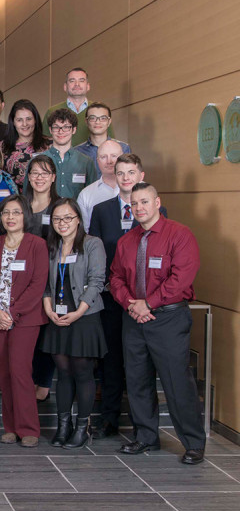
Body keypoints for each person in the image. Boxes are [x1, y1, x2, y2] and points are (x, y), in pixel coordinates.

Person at [110, 183, 205, 465]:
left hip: (168, 318)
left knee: (177, 383)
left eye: (144, 202)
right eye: (135, 203)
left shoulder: (180, 234)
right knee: (137, 381)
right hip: (134, 318)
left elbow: (181, 278)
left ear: (157, 202)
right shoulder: (126, 241)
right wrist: (131, 303)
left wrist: (148, 303)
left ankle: (193, 443)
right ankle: (146, 437)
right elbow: (115, 278)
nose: (139, 208)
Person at [89, 154, 166, 439]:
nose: (125, 178)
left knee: (141, 364)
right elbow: (95, 251)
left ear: (140, 175)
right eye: (120, 173)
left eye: (130, 172)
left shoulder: (157, 210)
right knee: (111, 360)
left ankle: (141, 424)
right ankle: (108, 419)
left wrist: (143, 302)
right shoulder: (101, 209)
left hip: (145, 302)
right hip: (112, 297)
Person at [0, 195, 49, 447]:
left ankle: (28, 427)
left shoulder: (37, 244)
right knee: (5, 373)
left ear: (25, 217)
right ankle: (10, 427)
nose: (10, 217)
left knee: (20, 372)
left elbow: (37, 285)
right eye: (6, 213)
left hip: (25, 320)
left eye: (16, 213)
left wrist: (12, 314)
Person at [41, 199, 107, 449]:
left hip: (84, 316)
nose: (62, 223)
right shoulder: (52, 246)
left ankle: (82, 428)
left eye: (67, 218)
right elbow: (46, 284)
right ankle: (63, 426)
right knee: (63, 373)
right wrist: (48, 309)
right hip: (57, 316)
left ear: (78, 219)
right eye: (57, 219)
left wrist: (79, 312)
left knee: (82, 371)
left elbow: (98, 280)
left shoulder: (92, 244)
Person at [22, 155, 60, 401]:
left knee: (46, 332)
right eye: (34, 173)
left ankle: (43, 383)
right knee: (26, 331)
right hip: (22, 276)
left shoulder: (60, 205)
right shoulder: (21, 204)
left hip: (52, 276)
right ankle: (25, 381)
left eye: (44, 173)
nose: (39, 178)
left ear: (53, 178)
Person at [42, 68, 114, 147]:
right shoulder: (52, 111)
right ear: (65, 86)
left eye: (81, 80)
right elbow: (44, 145)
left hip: (94, 158)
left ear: (88, 86)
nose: (77, 84)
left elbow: (111, 143)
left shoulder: (100, 111)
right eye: (72, 81)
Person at [38, 108, 97, 199]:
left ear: (74, 130)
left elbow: (93, 196)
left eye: (66, 127)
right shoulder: (37, 161)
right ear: (50, 130)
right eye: (56, 127)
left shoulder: (86, 162)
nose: (60, 131)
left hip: (77, 213)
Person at [2, 99, 51, 191]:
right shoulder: (3, 146)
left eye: (29, 119)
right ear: (13, 122)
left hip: (45, 199)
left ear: (35, 120)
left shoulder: (49, 144)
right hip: (15, 200)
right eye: (19, 120)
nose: (25, 124)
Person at [73, 102, 130, 176]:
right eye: (92, 118)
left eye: (103, 118)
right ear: (86, 122)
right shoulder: (77, 152)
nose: (97, 122)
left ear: (109, 122)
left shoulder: (124, 148)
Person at [77, 139, 122, 232]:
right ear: (97, 161)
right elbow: (85, 233)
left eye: (114, 156)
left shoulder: (140, 189)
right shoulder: (86, 195)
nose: (109, 161)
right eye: (103, 157)